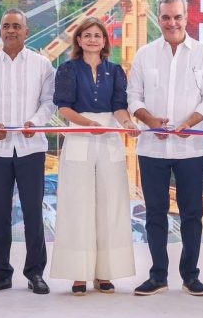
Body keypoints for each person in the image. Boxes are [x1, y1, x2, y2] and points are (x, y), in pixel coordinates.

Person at [127, 0, 203, 297]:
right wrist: (150, 120)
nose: (172, 22)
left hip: (189, 148)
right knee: (154, 212)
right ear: (158, 18)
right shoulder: (144, 54)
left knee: (192, 213)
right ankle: (158, 276)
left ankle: (191, 276)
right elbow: (133, 98)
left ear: (186, 17)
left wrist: (189, 123)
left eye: (177, 16)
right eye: (166, 17)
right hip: (152, 148)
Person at [50, 16, 138, 295]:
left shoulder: (116, 71)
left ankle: (105, 273)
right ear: (78, 40)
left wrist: (127, 124)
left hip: (109, 136)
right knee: (78, 203)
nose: (92, 39)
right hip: (79, 134)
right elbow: (63, 107)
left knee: (111, 203)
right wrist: (87, 124)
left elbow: (119, 106)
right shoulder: (67, 69)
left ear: (104, 41)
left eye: (97, 35)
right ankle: (79, 273)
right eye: (86, 35)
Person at [0, 9, 56, 295]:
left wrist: (37, 122)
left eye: (16, 26)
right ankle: (1, 274)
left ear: (27, 32)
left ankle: (35, 274)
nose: (10, 30)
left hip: (31, 148)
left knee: (33, 212)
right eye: (6, 25)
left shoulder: (43, 65)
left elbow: (49, 103)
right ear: (0, 31)